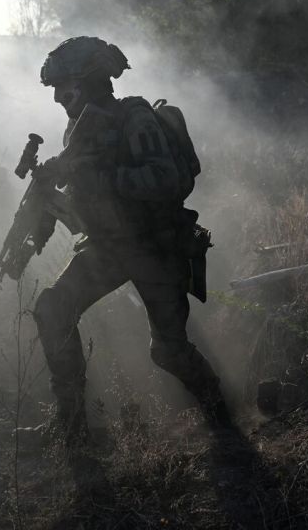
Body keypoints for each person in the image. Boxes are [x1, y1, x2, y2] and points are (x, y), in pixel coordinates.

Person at [30, 36, 228, 440]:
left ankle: (222, 416)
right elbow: (86, 195)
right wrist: (52, 202)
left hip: (156, 246)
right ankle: (71, 426)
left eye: (62, 87)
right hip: (108, 247)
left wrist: (103, 181)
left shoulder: (134, 119)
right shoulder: (78, 130)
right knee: (53, 309)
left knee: (168, 350)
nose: (57, 98)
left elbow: (168, 179)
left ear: (90, 80)